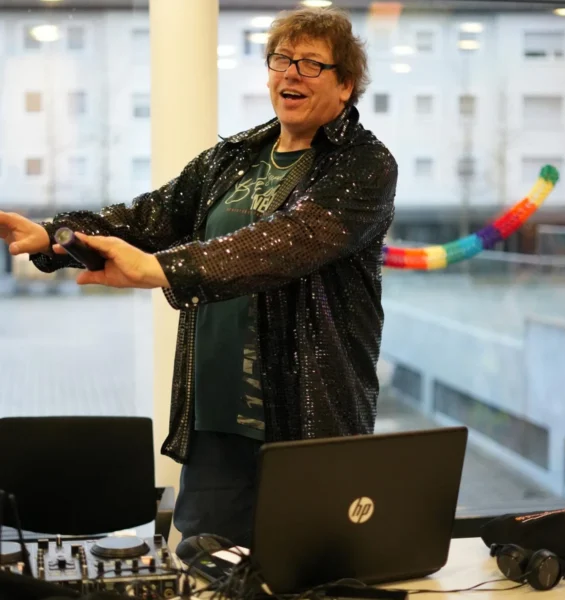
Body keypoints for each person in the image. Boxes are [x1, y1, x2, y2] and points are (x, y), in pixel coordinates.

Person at [0, 7, 397, 548]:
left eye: (311, 63)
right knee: (205, 568)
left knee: (310, 569)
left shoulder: (365, 165)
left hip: (311, 423)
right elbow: (147, 217)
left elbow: (286, 243)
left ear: (345, 84)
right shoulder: (234, 157)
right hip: (217, 419)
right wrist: (53, 235)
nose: (290, 73)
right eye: (281, 59)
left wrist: (163, 268)